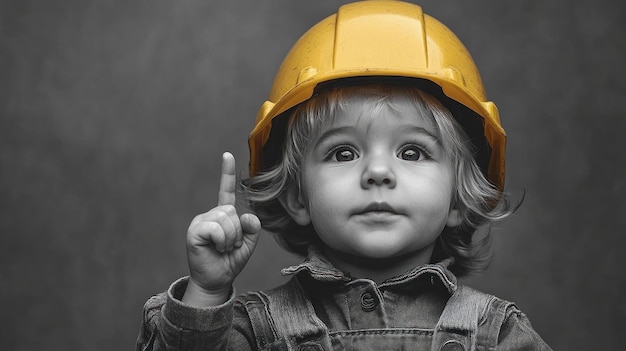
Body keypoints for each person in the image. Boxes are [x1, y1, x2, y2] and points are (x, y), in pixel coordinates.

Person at [137, 1, 552, 350]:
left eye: (412, 151)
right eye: (343, 152)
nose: (376, 172)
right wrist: (207, 292)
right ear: (298, 197)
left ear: (458, 199)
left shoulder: (497, 333)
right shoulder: (254, 330)